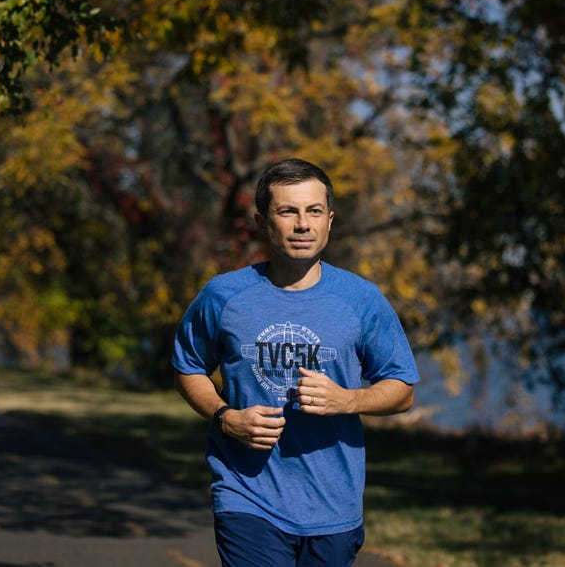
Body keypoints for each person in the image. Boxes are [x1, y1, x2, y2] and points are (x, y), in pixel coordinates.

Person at [172, 158, 420, 566]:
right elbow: (188, 367)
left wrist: (347, 401)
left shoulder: (362, 299)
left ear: (330, 220)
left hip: (333, 503)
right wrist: (224, 417)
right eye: (287, 211)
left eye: (314, 211)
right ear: (262, 221)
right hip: (246, 495)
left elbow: (403, 390)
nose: (302, 224)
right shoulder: (223, 296)